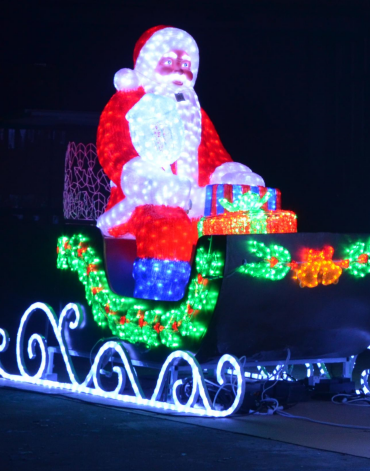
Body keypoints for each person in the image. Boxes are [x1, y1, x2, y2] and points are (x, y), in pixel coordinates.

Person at [96, 26, 264, 301]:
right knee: (168, 226)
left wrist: (227, 175)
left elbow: (213, 154)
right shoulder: (127, 100)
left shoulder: (194, 110)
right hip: (140, 203)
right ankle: (160, 303)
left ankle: (240, 298)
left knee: (243, 221)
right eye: (169, 61)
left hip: (194, 201)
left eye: (186, 64)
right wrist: (150, 181)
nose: (179, 70)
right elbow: (114, 150)